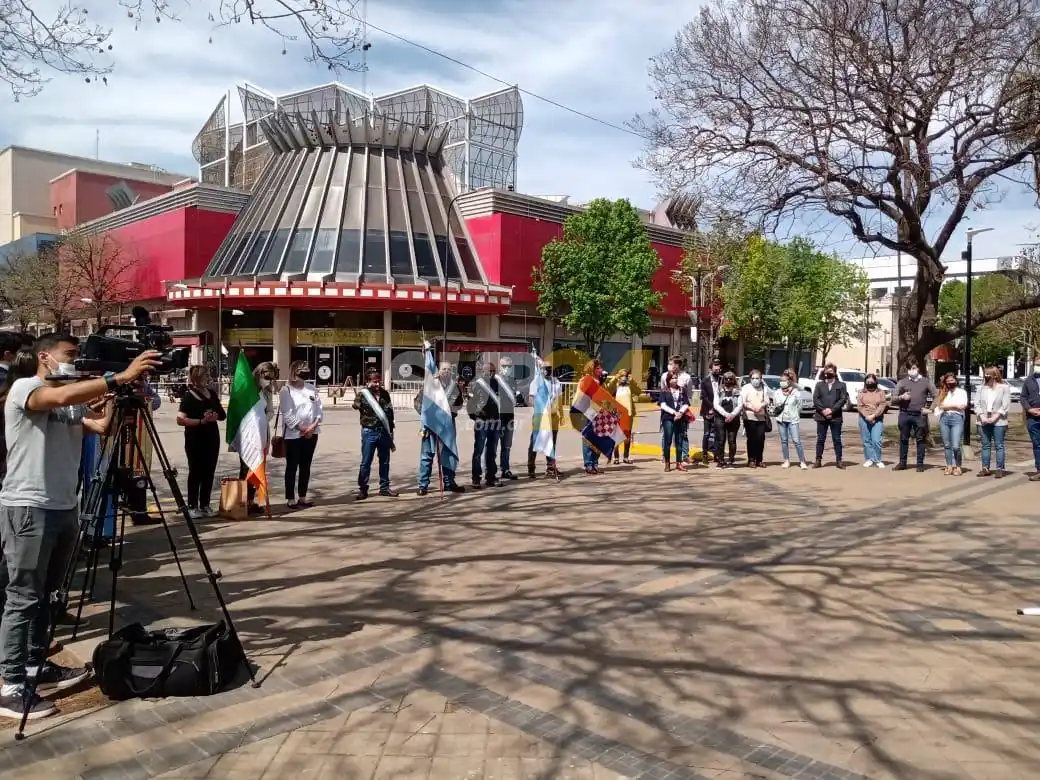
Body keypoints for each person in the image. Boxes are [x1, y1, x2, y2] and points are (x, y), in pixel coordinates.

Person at [0, 334, 160, 719]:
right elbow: (55, 400)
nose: (75, 361)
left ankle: (37, 665)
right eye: (69, 355)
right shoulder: (27, 387)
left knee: (50, 594)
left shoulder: (70, 394)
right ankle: (9, 685)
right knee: (23, 596)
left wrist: (116, 402)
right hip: (28, 506)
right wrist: (118, 378)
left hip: (63, 506)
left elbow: (99, 428)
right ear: (45, 357)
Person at [176, 365, 226, 518]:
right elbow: (180, 419)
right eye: (204, 376)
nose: (208, 378)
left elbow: (222, 415)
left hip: (212, 437)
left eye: (208, 376)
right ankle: (192, 505)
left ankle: (205, 504)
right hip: (195, 438)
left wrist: (214, 416)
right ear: (197, 378)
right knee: (196, 471)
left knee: (209, 472)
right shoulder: (188, 396)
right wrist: (200, 421)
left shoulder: (211, 393)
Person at [416, 361, 465, 496]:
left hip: (448, 426)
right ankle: (423, 485)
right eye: (443, 369)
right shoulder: (430, 386)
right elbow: (418, 403)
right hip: (430, 425)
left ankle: (449, 483)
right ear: (438, 371)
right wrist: (428, 415)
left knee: (448, 454)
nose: (446, 372)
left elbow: (459, 404)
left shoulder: (454, 387)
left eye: (449, 370)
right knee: (427, 455)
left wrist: (451, 410)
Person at [278, 361, 322, 508]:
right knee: (292, 467)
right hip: (294, 435)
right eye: (303, 369)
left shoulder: (312, 389)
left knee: (306, 466)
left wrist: (312, 428)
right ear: (295, 371)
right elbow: (288, 414)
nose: (306, 371)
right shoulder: (286, 390)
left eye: (308, 369)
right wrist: (302, 429)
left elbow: (318, 411)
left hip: (312, 433)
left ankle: (302, 497)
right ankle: (290, 499)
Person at [240, 361, 279, 514]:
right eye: (266, 377)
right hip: (247, 435)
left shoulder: (266, 392)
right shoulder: (246, 390)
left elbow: (270, 411)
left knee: (257, 468)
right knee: (246, 468)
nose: (268, 380)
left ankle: (251, 500)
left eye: (271, 378)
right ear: (258, 374)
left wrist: (262, 420)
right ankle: (242, 501)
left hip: (262, 432)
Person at [353, 367, 397, 499]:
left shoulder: (385, 394)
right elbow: (355, 405)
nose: (377, 384)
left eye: (378, 381)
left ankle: (384, 487)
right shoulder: (363, 394)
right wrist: (357, 403)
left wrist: (391, 430)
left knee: (385, 461)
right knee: (366, 462)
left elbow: (390, 413)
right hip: (369, 432)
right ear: (367, 382)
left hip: (383, 432)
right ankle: (363, 489)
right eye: (374, 381)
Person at [893, 358, 937, 472]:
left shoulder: (926, 381)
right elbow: (893, 398)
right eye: (909, 368)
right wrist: (901, 397)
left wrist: (930, 409)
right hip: (904, 414)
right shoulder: (902, 382)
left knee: (920, 439)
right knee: (903, 438)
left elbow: (936, 396)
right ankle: (902, 463)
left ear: (918, 368)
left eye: (913, 368)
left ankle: (920, 464)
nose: (911, 370)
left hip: (919, 415)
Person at [527, 357, 563, 479]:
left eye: (549, 368)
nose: (548, 370)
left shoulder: (556, 382)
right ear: (541, 369)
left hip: (553, 417)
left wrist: (561, 414)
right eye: (545, 368)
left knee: (552, 442)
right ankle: (531, 467)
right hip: (540, 416)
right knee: (535, 442)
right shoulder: (536, 382)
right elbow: (530, 400)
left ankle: (551, 467)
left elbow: (559, 400)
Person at [468, 362, 502, 488]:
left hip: (494, 421)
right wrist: (476, 417)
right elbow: (470, 405)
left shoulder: (496, 383)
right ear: (483, 371)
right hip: (482, 421)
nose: (492, 374)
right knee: (478, 450)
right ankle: (476, 478)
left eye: (494, 371)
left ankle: (491, 477)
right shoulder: (476, 384)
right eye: (490, 371)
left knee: (492, 451)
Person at [812, 362, 848, 469]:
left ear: (835, 373)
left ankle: (839, 460)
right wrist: (823, 410)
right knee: (820, 439)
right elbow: (816, 399)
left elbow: (842, 399)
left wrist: (831, 410)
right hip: (821, 416)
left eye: (830, 372)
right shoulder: (819, 385)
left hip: (836, 416)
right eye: (826, 372)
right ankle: (818, 460)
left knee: (837, 439)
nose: (828, 374)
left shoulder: (841, 385)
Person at [976, 366, 1010, 479]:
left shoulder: (1004, 387)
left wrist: (995, 417)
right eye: (985, 374)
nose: (986, 376)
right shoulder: (981, 388)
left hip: (999, 420)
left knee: (999, 445)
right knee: (985, 445)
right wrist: (982, 416)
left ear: (995, 375)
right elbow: (977, 404)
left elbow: (1005, 405)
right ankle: (985, 468)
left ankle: (1000, 468)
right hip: (983, 420)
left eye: (988, 374)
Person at [933, 373, 967, 475]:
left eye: (952, 381)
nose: (950, 383)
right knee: (947, 444)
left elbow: (962, 406)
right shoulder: (943, 393)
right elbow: (940, 405)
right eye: (948, 381)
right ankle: (949, 466)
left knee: (956, 445)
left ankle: (958, 466)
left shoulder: (961, 392)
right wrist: (954, 405)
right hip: (944, 418)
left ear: (956, 381)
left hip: (957, 418)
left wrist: (948, 406)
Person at [774, 368, 808, 469]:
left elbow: (800, 406)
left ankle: (802, 461)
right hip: (781, 419)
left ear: (789, 381)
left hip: (793, 420)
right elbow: (776, 404)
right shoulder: (777, 392)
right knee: (784, 441)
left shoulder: (796, 392)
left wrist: (794, 413)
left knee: (796, 440)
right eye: (781, 380)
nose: (782, 382)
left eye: (784, 380)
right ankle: (786, 460)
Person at [496, 355, 521, 480]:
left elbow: (514, 397)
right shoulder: (495, 380)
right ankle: (491, 472)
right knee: (493, 445)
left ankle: (505, 469)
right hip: (497, 417)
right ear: (500, 367)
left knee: (507, 446)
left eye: (509, 366)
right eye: (504, 366)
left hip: (509, 417)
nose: (507, 368)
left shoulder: (512, 380)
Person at [659, 373, 691, 471]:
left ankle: (679, 463)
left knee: (679, 441)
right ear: (668, 380)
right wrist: (674, 413)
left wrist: (680, 412)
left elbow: (686, 403)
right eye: (672, 378)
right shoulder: (664, 391)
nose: (675, 380)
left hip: (680, 418)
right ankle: (667, 463)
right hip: (668, 417)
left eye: (676, 378)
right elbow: (663, 405)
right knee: (668, 441)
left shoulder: (682, 390)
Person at [608, 368, 640, 464]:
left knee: (627, 435)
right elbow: (608, 388)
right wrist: (614, 378)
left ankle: (626, 457)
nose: (624, 378)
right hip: (617, 413)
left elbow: (638, 391)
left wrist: (632, 381)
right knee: (616, 434)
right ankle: (616, 457)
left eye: (625, 376)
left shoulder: (629, 385)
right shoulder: (616, 385)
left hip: (628, 413)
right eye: (622, 375)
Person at [857, 373, 888, 468]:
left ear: (876, 382)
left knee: (876, 440)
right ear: (865, 382)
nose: (870, 383)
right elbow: (860, 406)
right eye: (868, 381)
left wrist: (874, 415)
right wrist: (867, 416)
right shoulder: (862, 392)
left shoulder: (881, 392)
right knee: (866, 440)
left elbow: (882, 405)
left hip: (877, 419)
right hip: (864, 418)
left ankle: (877, 459)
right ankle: (869, 459)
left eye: (872, 381)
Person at [740, 369, 769, 468]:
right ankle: (751, 460)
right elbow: (743, 401)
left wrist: (761, 406)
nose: (755, 380)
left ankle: (759, 460)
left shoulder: (764, 388)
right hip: (749, 416)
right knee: (751, 439)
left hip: (761, 417)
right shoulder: (746, 388)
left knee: (760, 438)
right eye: (753, 378)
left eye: (757, 378)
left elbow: (767, 401)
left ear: (761, 379)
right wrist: (752, 407)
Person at [713, 372, 743, 468]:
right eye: (726, 379)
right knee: (720, 439)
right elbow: (716, 405)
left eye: (730, 379)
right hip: (720, 417)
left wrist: (732, 415)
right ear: (723, 380)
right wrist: (726, 415)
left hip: (734, 418)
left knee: (732, 440)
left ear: (734, 380)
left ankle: (731, 460)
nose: (728, 381)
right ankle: (720, 460)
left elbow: (740, 405)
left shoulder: (738, 391)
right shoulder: (718, 390)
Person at [699, 359, 722, 466]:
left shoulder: (722, 380)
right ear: (710, 369)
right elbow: (704, 396)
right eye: (715, 367)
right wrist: (712, 407)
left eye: (719, 367)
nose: (717, 369)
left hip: (719, 412)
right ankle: (704, 455)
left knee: (718, 433)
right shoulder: (705, 381)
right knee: (707, 433)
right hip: (707, 410)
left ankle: (717, 455)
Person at [1022, 362, 1040, 481]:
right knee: (1037, 445)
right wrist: (1029, 409)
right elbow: (1023, 397)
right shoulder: (1029, 380)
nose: (1038, 366)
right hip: (1033, 417)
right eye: (1037, 364)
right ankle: (1039, 470)